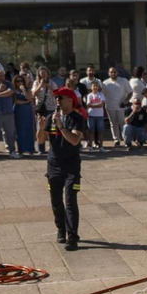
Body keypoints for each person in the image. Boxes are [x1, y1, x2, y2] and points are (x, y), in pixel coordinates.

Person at [46, 87, 86, 250]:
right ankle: (61, 229)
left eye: (60, 98)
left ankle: (72, 236)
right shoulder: (51, 117)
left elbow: (75, 140)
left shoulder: (77, 118)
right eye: (56, 98)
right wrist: (40, 128)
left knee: (70, 200)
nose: (57, 100)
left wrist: (61, 126)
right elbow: (41, 138)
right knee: (56, 200)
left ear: (70, 100)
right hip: (53, 164)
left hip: (71, 166)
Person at [100, 65, 130, 148]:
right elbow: (102, 95)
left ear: (117, 72)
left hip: (121, 106)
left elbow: (130, 92)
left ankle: (126, 139)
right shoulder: (105, 83)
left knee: (122, 123)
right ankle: (116, 139)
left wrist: (126, 101)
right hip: (110, 106)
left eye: (114, 72)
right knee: (113, 124)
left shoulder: (124, 81)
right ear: (108, 73)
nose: (113, 73)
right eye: (111, 72)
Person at [84, 80, 107, 151]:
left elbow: (102, 105)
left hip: (99, 115)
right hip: (91, 115)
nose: (95, 87)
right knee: (91, 131)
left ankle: (101, 146)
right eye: (93, 86)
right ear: (91, 87)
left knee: (100, 131)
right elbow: (88, 104)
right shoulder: (89, 95)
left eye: (96, 86)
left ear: (98, 87)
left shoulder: (101, 95)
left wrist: (93, 105)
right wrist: (97, 105)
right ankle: (90, 146)